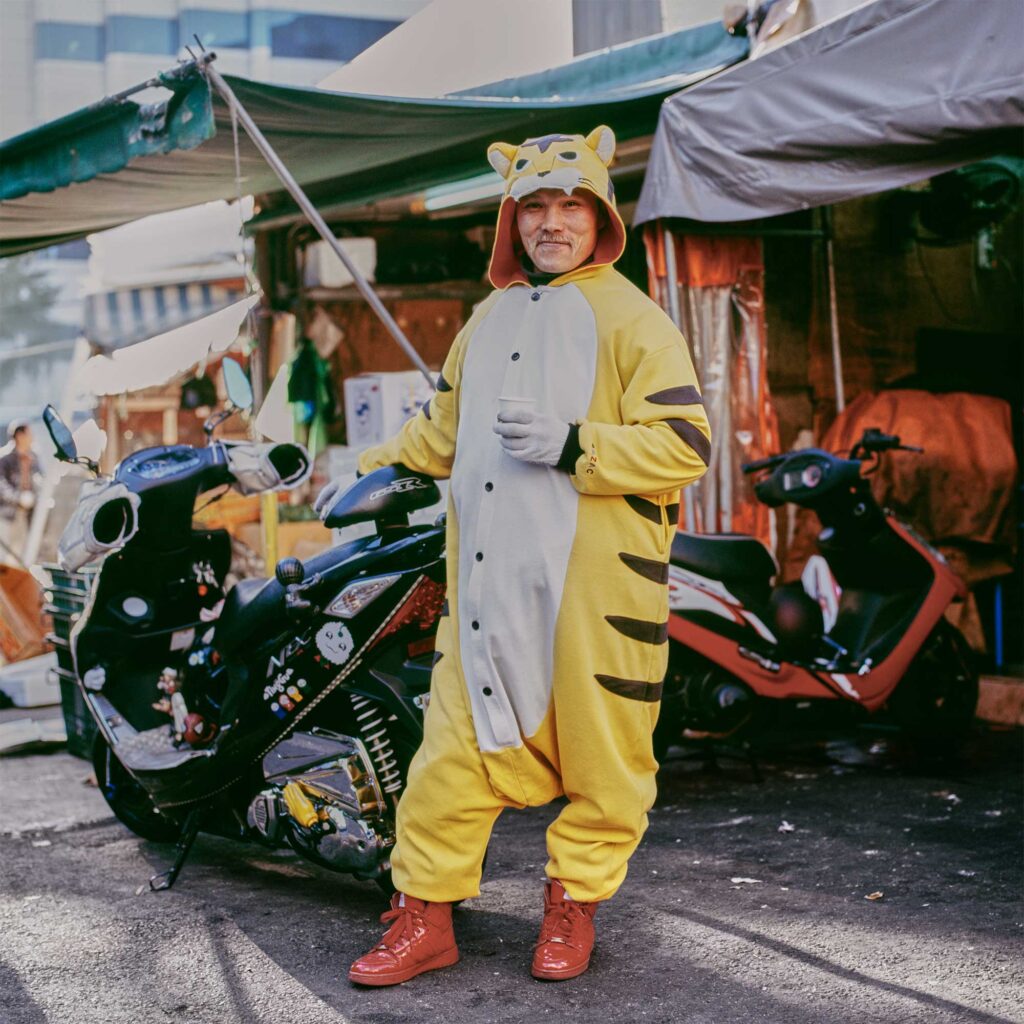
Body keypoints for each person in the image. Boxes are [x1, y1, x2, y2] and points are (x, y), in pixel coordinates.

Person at [322, 126, 711, 985]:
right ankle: (425, 920)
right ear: (511, 221)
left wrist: (577, 444)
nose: (552, 221)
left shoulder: (636, 321)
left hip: (593, 597)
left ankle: (573, 911)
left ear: (600, 215)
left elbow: (686, 445)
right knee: (448, 764)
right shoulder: (484, 321)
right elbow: (440, 432)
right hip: (486, 595)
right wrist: (356, 470)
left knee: (608, 764)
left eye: (571, 204)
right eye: (534, 205)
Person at [0, 420, 41, 566]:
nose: (32, 438)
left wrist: (35, 497)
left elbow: (40, 481)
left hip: (26, 515)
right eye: (29, 434)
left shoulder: (34, 458)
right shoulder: (5, 458)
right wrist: (18, 498)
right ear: (19, 435)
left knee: (21, 555)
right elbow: (1, 485)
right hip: (6, 514)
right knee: (4, 554)